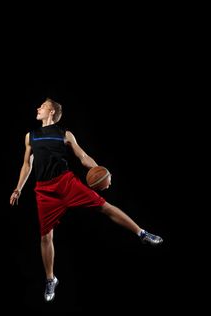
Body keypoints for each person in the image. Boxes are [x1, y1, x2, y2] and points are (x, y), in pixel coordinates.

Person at [10, 98, 163, 302]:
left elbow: (82, 156)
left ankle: (142, 233)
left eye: (42, 106)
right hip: (44, 190)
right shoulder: (31, 136)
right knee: (45, 236)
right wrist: (18, 188)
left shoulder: (65, 134)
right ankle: (50, 279)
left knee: (105, 207)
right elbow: (26, 165)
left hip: (65, 182)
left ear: (52, 112)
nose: (38, 108)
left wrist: (99, 171)